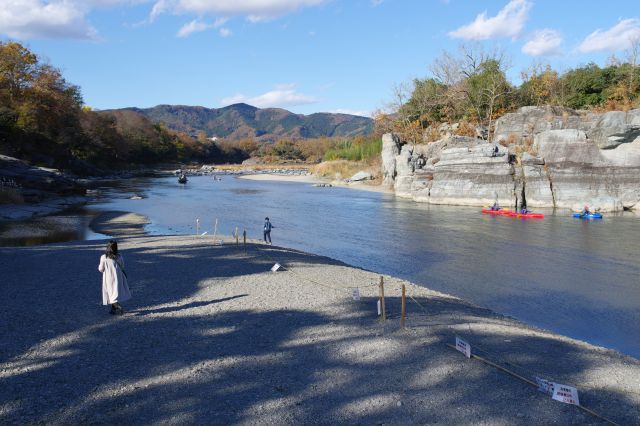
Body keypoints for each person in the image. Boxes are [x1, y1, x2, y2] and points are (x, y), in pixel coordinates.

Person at [98, 240, 131, 315]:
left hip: (108, 278)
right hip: (119, 277)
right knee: (115, 292)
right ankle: (113, 309)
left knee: (110, 293)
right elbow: (122, 266)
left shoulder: (103, 257)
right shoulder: (119, 256)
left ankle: (118, 307)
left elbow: (101, 269)